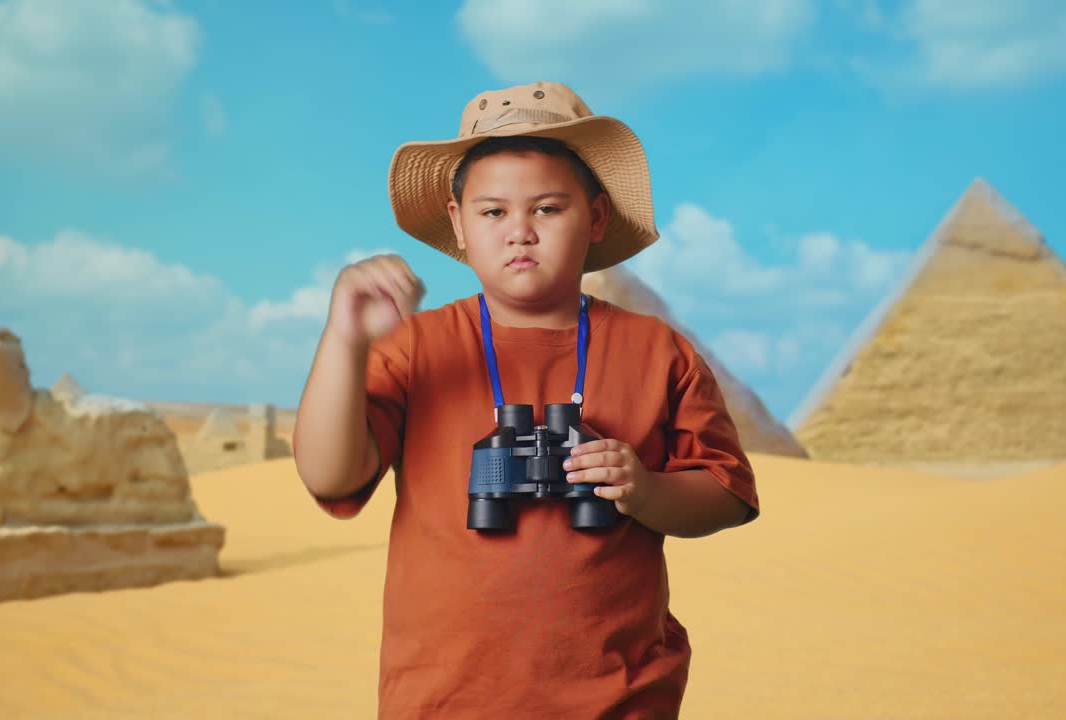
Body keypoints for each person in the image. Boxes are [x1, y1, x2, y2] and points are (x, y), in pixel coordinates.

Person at [294, 81, 759, 719]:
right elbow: (329, 473)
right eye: (493, 212)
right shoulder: (417, 347)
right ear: (457, 225)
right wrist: (344, 339)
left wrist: (644, 491)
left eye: (547, 209)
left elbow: (728, 495)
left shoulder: (659, 352)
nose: (520, 232)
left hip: (620, 698)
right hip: (446, 699)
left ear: (595, 217)